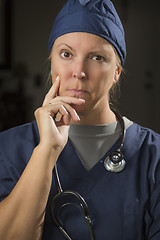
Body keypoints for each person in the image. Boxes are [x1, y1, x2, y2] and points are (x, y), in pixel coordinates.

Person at [0, 0, 160, 239]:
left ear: (116, 72)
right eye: (66, 54)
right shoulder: (9, 147)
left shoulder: (153, 155)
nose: (79, 71)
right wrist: (47, 150)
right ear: (52, 62)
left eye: (97, 58)